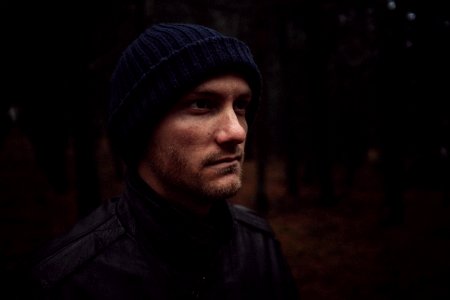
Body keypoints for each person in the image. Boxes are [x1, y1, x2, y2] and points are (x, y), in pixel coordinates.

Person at [29, 23, 299, 299]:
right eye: (202, 104)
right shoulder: (64, 282)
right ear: (141, 129)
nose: (237, 132)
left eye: (240, 105)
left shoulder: (260, 244)